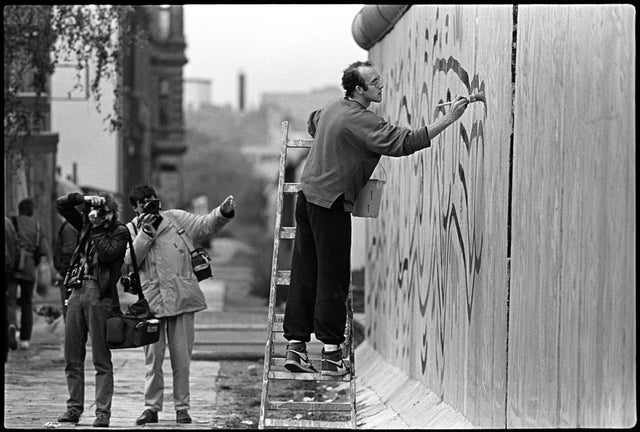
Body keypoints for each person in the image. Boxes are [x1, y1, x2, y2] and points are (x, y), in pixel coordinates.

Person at [282, 60, 469, 376]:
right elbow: (405, 142)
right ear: (359, 89)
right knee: (333, 277)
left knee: (305, 273)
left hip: (308, 195)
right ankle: (330, 355)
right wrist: (449, 119)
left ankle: (296, 347)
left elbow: (312, 122)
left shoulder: (332, 108)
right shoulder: (361, 120)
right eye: (374, 81)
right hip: (331, 202)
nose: (381, 84)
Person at [126, 185, 236, 425]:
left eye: (153, 200)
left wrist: (223, 212)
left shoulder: (176, 219)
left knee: (181, 359)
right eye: (144, 203)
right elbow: (127, 262)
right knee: (153, 361)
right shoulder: (131, 230)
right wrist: (145, 234)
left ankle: (182, 408)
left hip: (182, 298)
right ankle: (151, 408)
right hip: (151, 304)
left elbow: (206, 225)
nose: (150, 205)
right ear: (135, 207)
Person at [55, 192, 129, 428]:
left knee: (101, 358)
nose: (97, 215)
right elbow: (61, 206)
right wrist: (78, 199)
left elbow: (108, 253)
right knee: (72, 355)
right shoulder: (86, 224)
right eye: (96, 211)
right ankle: (73, 408)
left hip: (100, 293)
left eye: (103, 211)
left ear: (111, 213)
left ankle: (102, 413)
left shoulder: (119, 231)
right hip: (77, 290)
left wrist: (97, 227)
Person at [6, 197, 50, 350]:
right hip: (30, 269)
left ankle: (11, 325)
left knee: (10, 301)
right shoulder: (37, 227)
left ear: (19, 210)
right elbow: (43, 250)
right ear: (31, 211)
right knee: (27, 303)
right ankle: (25, 339)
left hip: (12, 268)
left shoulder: (11, 222)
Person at [53, 214, 79, 319]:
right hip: (69, 273)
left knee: (69, 307)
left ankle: (71, 335)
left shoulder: (68, 228)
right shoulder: (69, 226)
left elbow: (70, 252)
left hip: (68, 275)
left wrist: (62, 272)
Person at [5, 216, 21, 360]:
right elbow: (17, 247)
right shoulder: (8, 223)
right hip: (8, 269)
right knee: (10, 302)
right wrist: (14, 267)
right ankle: (11, 324)